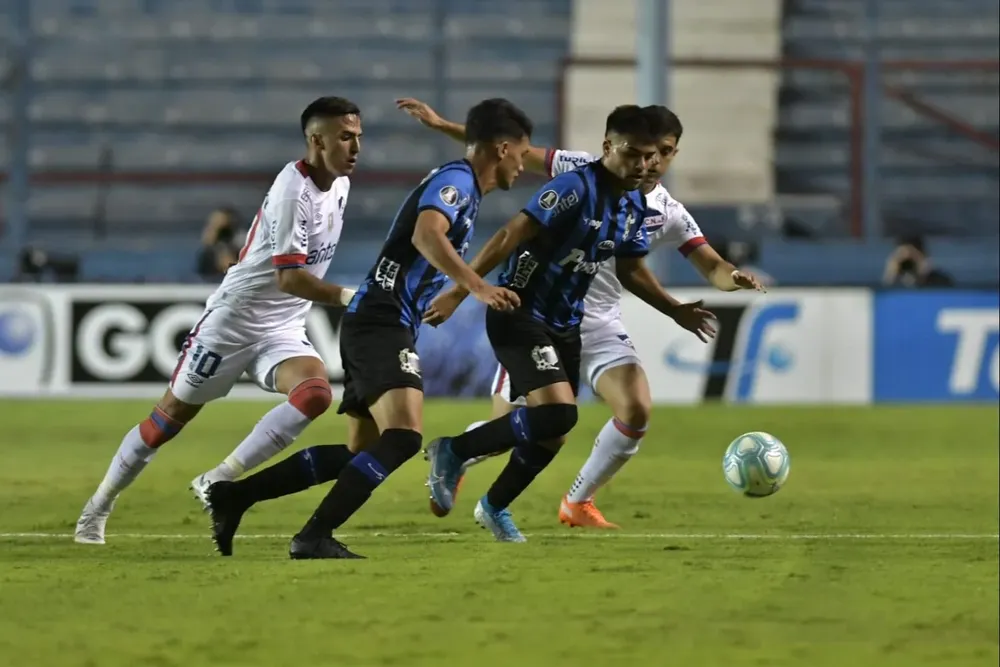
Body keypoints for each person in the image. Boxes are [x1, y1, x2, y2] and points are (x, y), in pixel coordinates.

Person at [399, 98, 765, 530]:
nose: (650, 163)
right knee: (523, 425)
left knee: (624, 411)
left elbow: (697, 266)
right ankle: (458, 453)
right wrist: (444, 126)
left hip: (594, 322)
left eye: (661, 153)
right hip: (530, 310)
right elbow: (512, 152)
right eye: (640, 152)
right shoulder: (578, 173)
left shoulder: (663, 211)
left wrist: (728, 279)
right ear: (613, 146)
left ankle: (574, 502)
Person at [205, 98, 533, 560]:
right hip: (382, 319)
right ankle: (313, 537)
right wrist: (476, 287)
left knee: (363, 451)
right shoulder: (457, 182)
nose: (524, 163)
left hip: (379, 320)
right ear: (502, 149)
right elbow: (425, 235)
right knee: (403, 437)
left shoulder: (464, 184)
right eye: (523, 152)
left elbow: (432, 231)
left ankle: (235, 495)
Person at [74, 96, 362, 545]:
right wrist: (350, 297)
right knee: (166, 422)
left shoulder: (340, 185)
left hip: (282, 326)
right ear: (316, 140)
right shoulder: (293, 191)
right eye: (345, 137)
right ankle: (97, 508)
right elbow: (288, 278)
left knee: (314, 395)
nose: (356, 147)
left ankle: (219, 479)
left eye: (358, 136)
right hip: (233, 321)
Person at [882, 237, 953, 288]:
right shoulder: (895, 284)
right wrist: (890, 275)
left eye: (911, 257)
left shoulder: (941, 282)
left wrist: (923, 274)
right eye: (902, 256)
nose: (907, 263)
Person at [196, 207, 243, 281]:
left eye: (215, 227)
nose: (208, 231)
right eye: (210, 225)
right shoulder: (206, 255)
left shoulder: (238, 253)